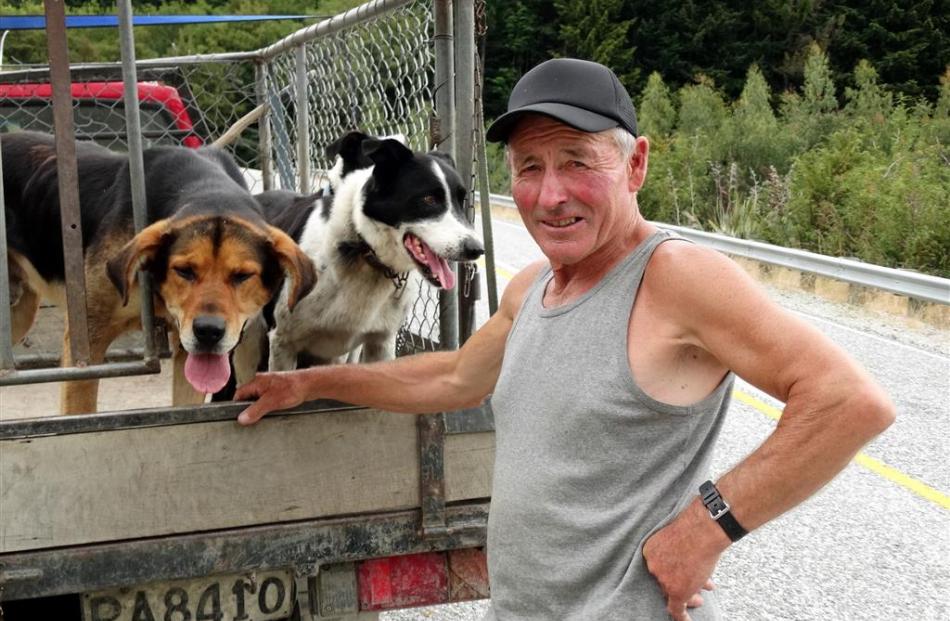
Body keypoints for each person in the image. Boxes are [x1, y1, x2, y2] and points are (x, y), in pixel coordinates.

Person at [236, 58, 894, 620]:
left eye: (578, 161)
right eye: (529, 167)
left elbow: (848, 401)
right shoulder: (532, 288)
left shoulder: (675, 276)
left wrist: (706, 526)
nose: (550, 194)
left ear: (635, 164)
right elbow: (453, 378)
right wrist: (309, 380)